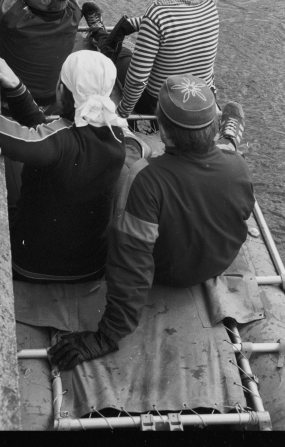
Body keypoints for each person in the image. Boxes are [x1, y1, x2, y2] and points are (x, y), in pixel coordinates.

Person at [47, 75, 255, 369]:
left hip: (169, 272)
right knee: (229, 152)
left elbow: (130, 266)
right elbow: (242, 212)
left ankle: (131, 143)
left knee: (126, 166)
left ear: (165, 135)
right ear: (212, 127)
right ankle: (230, 136)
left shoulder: (145, 178)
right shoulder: (238, 165)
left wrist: (107, 336)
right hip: (217, 262)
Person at [0, 49, 130, 282]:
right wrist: (17, 88)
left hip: (34, 265)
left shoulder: (61, 141)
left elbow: (23, 138)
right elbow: (53, 138)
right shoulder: (116, 134)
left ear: (61, 90)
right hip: (90, 266)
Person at [81, 0, 219, 119]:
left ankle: (98, 33)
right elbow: (179, 21)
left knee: (121, 54)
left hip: (160, 103)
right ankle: (101, 34)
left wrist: (123, 112)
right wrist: (134, 23)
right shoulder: (209, 4)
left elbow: (137, 79)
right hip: (201, 97)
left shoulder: (158, 12)